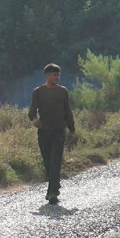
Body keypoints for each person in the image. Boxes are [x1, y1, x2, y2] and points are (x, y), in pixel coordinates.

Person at [28, 63, 76, 204]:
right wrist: (35, 120)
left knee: (56, 161)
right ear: (47, 75)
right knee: (48, 162)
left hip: (59, 131)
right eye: (55, 75)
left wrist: (72, 130)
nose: (57, 77)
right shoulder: (38, 92)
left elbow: (68, 111)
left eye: (58, 75)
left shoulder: (63, 91)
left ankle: (52, 193)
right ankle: (55, 183)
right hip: (43, 132)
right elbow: (32, 111)